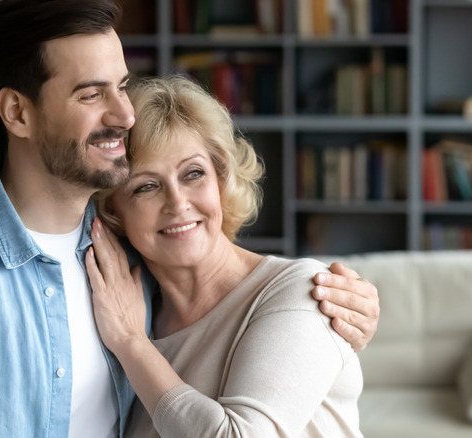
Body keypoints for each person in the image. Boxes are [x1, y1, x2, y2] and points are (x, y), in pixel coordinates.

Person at [0, 1, 379, 437]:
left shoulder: (129, 265)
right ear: (17, 112)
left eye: (121, 86)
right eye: (92, 94)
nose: (123, 114)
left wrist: (350, 308)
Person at [87, 75, 367, 437]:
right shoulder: (132, 310)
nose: (178, 203)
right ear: (114, 213)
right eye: (147, 186)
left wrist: (131, 345)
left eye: (193, 174)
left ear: (221, 182)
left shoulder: (298, 291)